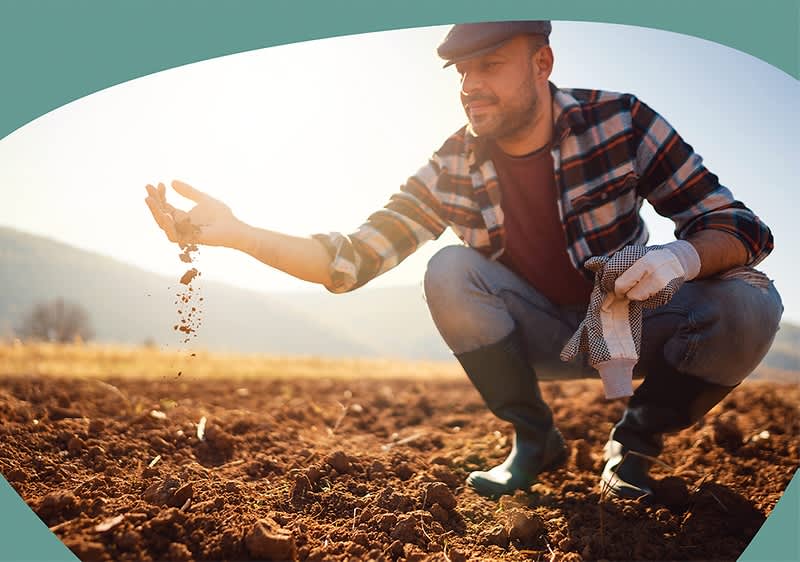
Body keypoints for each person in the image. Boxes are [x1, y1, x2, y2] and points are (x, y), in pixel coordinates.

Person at [144, 21, 783, 500]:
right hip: (533, 335)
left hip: (630, 324)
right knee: (449, 268)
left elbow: (739, 225)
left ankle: (634, 448)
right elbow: (350, 261)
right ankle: (534, 440)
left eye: (490, 66)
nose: (471, 87)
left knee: (751, 303)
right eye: (461, 73)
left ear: (542, 62)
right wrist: (239, 234)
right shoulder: (451, 164)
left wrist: (678, 260)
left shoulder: (621, 121)